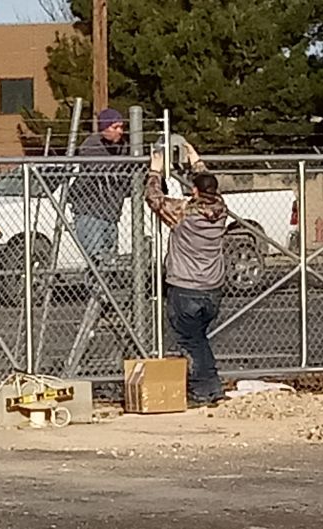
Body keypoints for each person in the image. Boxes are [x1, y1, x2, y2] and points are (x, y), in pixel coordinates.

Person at [145, 142, 228, 407]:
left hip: (186, 287)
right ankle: (210, 386)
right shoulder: (221, 209)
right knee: (199, 338)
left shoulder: (184, 213)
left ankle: (206, 389)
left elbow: (154, 199)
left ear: (194, 191)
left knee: (190, 341)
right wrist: (196, 161)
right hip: (212, 287)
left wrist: (154, 171)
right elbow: (208, 187)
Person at [69, 108, 132, 267]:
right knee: (96, 261)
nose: (120, 131)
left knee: (110, 260)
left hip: (111, 213)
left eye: (121, 127)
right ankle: (97, 291)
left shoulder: (123, 147)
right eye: (115, 127)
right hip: (90, 213)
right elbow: (105, 170)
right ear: (104, 127)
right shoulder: (91, 146)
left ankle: (107, 290)